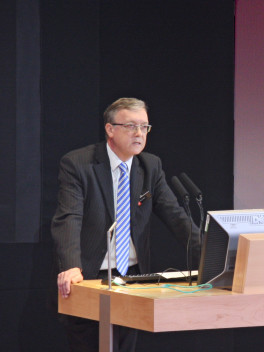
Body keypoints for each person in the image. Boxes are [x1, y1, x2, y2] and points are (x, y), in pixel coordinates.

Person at [51, 97, 199, 351]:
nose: (139, 133)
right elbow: (69, 218)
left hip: (133, 278)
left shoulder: (150, 166)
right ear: (110, 129)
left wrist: (213, 258)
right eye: (131, 126)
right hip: (90, 278)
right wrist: (71, 267)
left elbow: (177, 218)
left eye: (145, 127)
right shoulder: (78, 164)